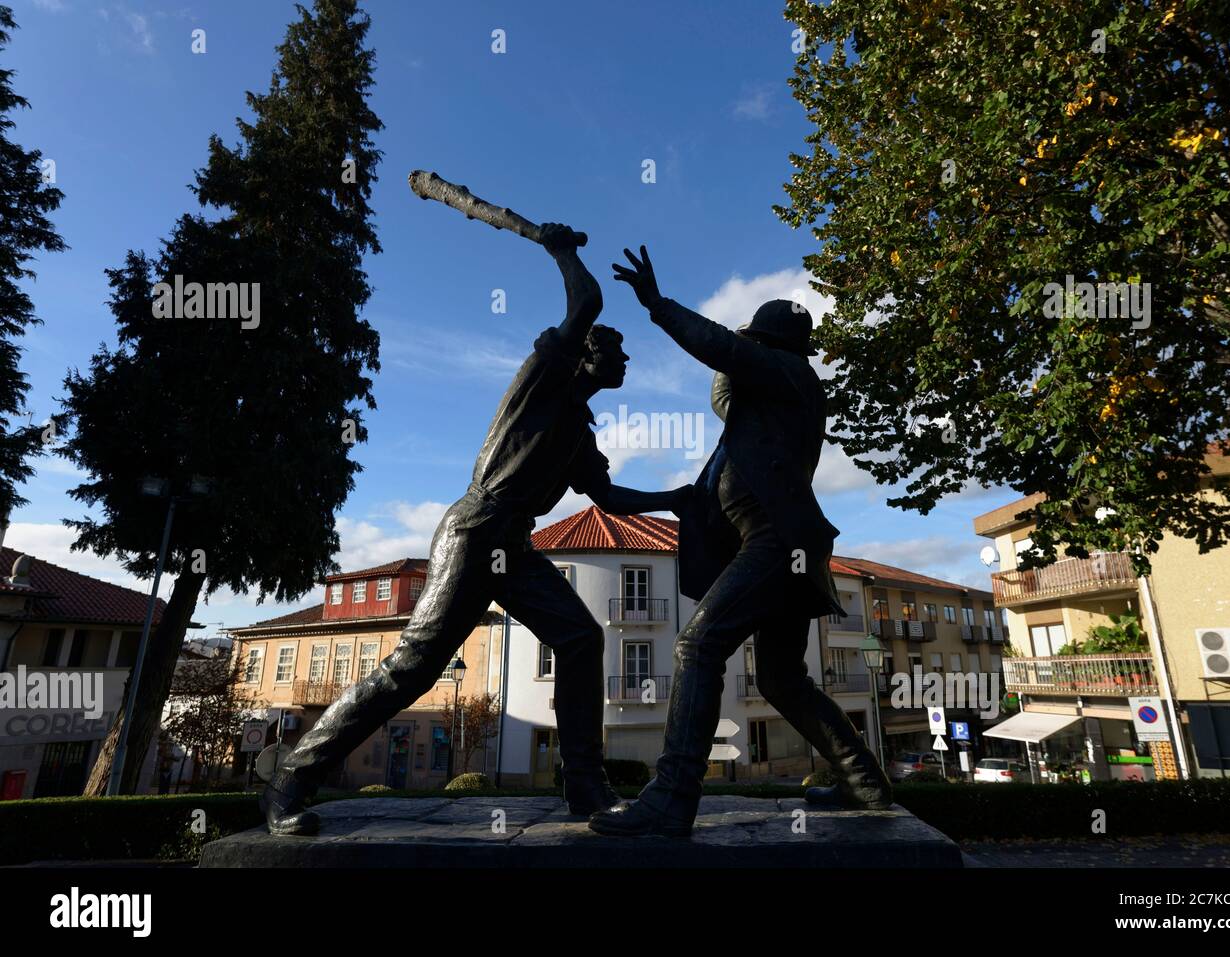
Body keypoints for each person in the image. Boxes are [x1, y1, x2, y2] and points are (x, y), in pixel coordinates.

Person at [262, 225, 689, 835]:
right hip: (474, 530)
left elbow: (612, 498)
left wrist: (680, 499)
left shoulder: (579, 431)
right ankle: (291, 780)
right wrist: (561, 249)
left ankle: (584, 786)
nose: (626, 362)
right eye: (618, 353)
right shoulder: (542, 380)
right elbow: (587, 303)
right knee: (412, 668)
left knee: (579, 639)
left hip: (512, 544)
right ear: (588, 355)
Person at [588, 246, 892, 837]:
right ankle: (864, 781)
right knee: (780, 679)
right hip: (781, 545)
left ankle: (672, 798)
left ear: (769, 343)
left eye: (753, 340)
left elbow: (725, 354)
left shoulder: (790, 373)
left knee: (697, 647)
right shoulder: (766, 401)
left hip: (776, 544)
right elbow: (725, 390)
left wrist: (657, 304)